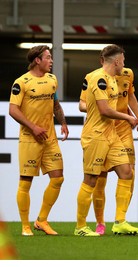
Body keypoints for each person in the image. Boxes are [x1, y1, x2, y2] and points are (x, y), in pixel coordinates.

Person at [74, 44, 138, 236]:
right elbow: (104, 110)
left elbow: (125, 99)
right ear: (117, 61)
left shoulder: (113, 79)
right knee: (91, 179)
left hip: (111, 134)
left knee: (127, 172)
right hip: (95, 135)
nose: (124, 65)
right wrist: (128, 117)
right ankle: (80, 227)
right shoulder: (98, 78)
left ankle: (120, 221)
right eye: (123, 61)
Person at [9, 45, 69, 236]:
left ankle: (41, 220)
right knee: (26, 182)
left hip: (49, 137)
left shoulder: (52, 79)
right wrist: (33, 127)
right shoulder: (21, 82)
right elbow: (13, 110)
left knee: (58, 178)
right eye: (48, 57)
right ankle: (25, 225)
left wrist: (63, 122)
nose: (51, 61)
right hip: (30, 138)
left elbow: (55, 103)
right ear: (37, 60)